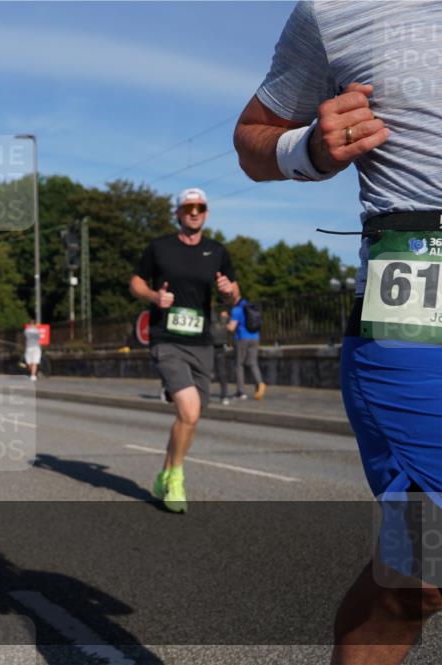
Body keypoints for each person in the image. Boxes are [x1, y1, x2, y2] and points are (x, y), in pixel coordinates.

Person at [233, 3, 441, 662]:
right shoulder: (335, 8)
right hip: (419, 305)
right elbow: (253, 136)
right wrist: (309, 149)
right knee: (419, 577)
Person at [129, 187, 238, 513]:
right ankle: (176, 476)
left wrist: (229, 291)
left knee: (188, 416)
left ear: (206, 212)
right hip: (167, 339)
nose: (194, 212)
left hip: (201, 342)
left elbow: (234, 293)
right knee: (189, 411)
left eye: (200, 207)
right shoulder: (159, 248)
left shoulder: (217, 251)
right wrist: (153, 298)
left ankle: (164, 473)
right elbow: (136, 281)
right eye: (188, 207)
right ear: (178, 213)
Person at [228, 297, 266, 400]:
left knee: (239, 364)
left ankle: (240, 392)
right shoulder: (252, 307)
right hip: (255, 337)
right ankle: (260, 383)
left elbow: (231, 327)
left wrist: (223, 322)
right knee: (253, 362)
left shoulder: (236, 310)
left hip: (241, 338)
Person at [211, 310, 231, 406]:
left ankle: (203, 395)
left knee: (205, 372)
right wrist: (224, 319)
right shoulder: (223, 317)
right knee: (222, 371)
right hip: (220, 346)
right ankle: (224, 395)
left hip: (209, 346)